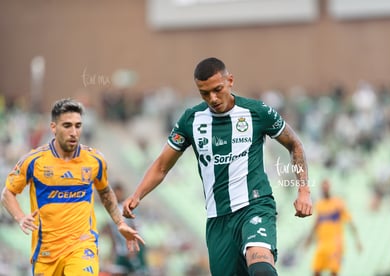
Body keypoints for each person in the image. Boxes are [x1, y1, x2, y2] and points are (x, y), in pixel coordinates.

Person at [123, 57, 312, 276]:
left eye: (217, 89)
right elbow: (162, 166)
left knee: (261, 269)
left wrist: (304, 190)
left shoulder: (257, 112)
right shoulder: (191, 120)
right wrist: (137, 195)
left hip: (255, 206)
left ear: (230, 81)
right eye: (204, 93)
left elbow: (294, 144)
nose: (212, 98)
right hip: (218, 219)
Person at [0, 98, 145, 276]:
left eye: (78, 126)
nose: (74, 132)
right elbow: (8, 193)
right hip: (46, 252)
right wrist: (21, 217)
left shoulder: (94, 160)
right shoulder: (34, 161)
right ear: (53, 127)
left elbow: (105, 192)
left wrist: (120, 223)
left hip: (82, 246)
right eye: (67, 126)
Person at [305, 179, 362, 276]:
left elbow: (350, 222)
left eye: (326, 187)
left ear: (330, 188)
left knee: (334, 272)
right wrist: (309, 239)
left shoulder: (338, 203)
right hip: (322, 244)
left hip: (335, 245)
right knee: (316, 270)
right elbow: (316, 223)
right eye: (323, 187)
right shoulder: (319, 205)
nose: (325, 189)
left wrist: (357, 240)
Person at [101, 182, 149, 276]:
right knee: (117, 272)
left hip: (133, 248)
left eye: (118, 192)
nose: (116, 195)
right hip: (121, 250)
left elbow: (135, 227)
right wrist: (112, 249)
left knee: (138, 273)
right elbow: (111, 231)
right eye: (114, 193)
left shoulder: (128, 206)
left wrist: (133, 250)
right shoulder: (111, 209)